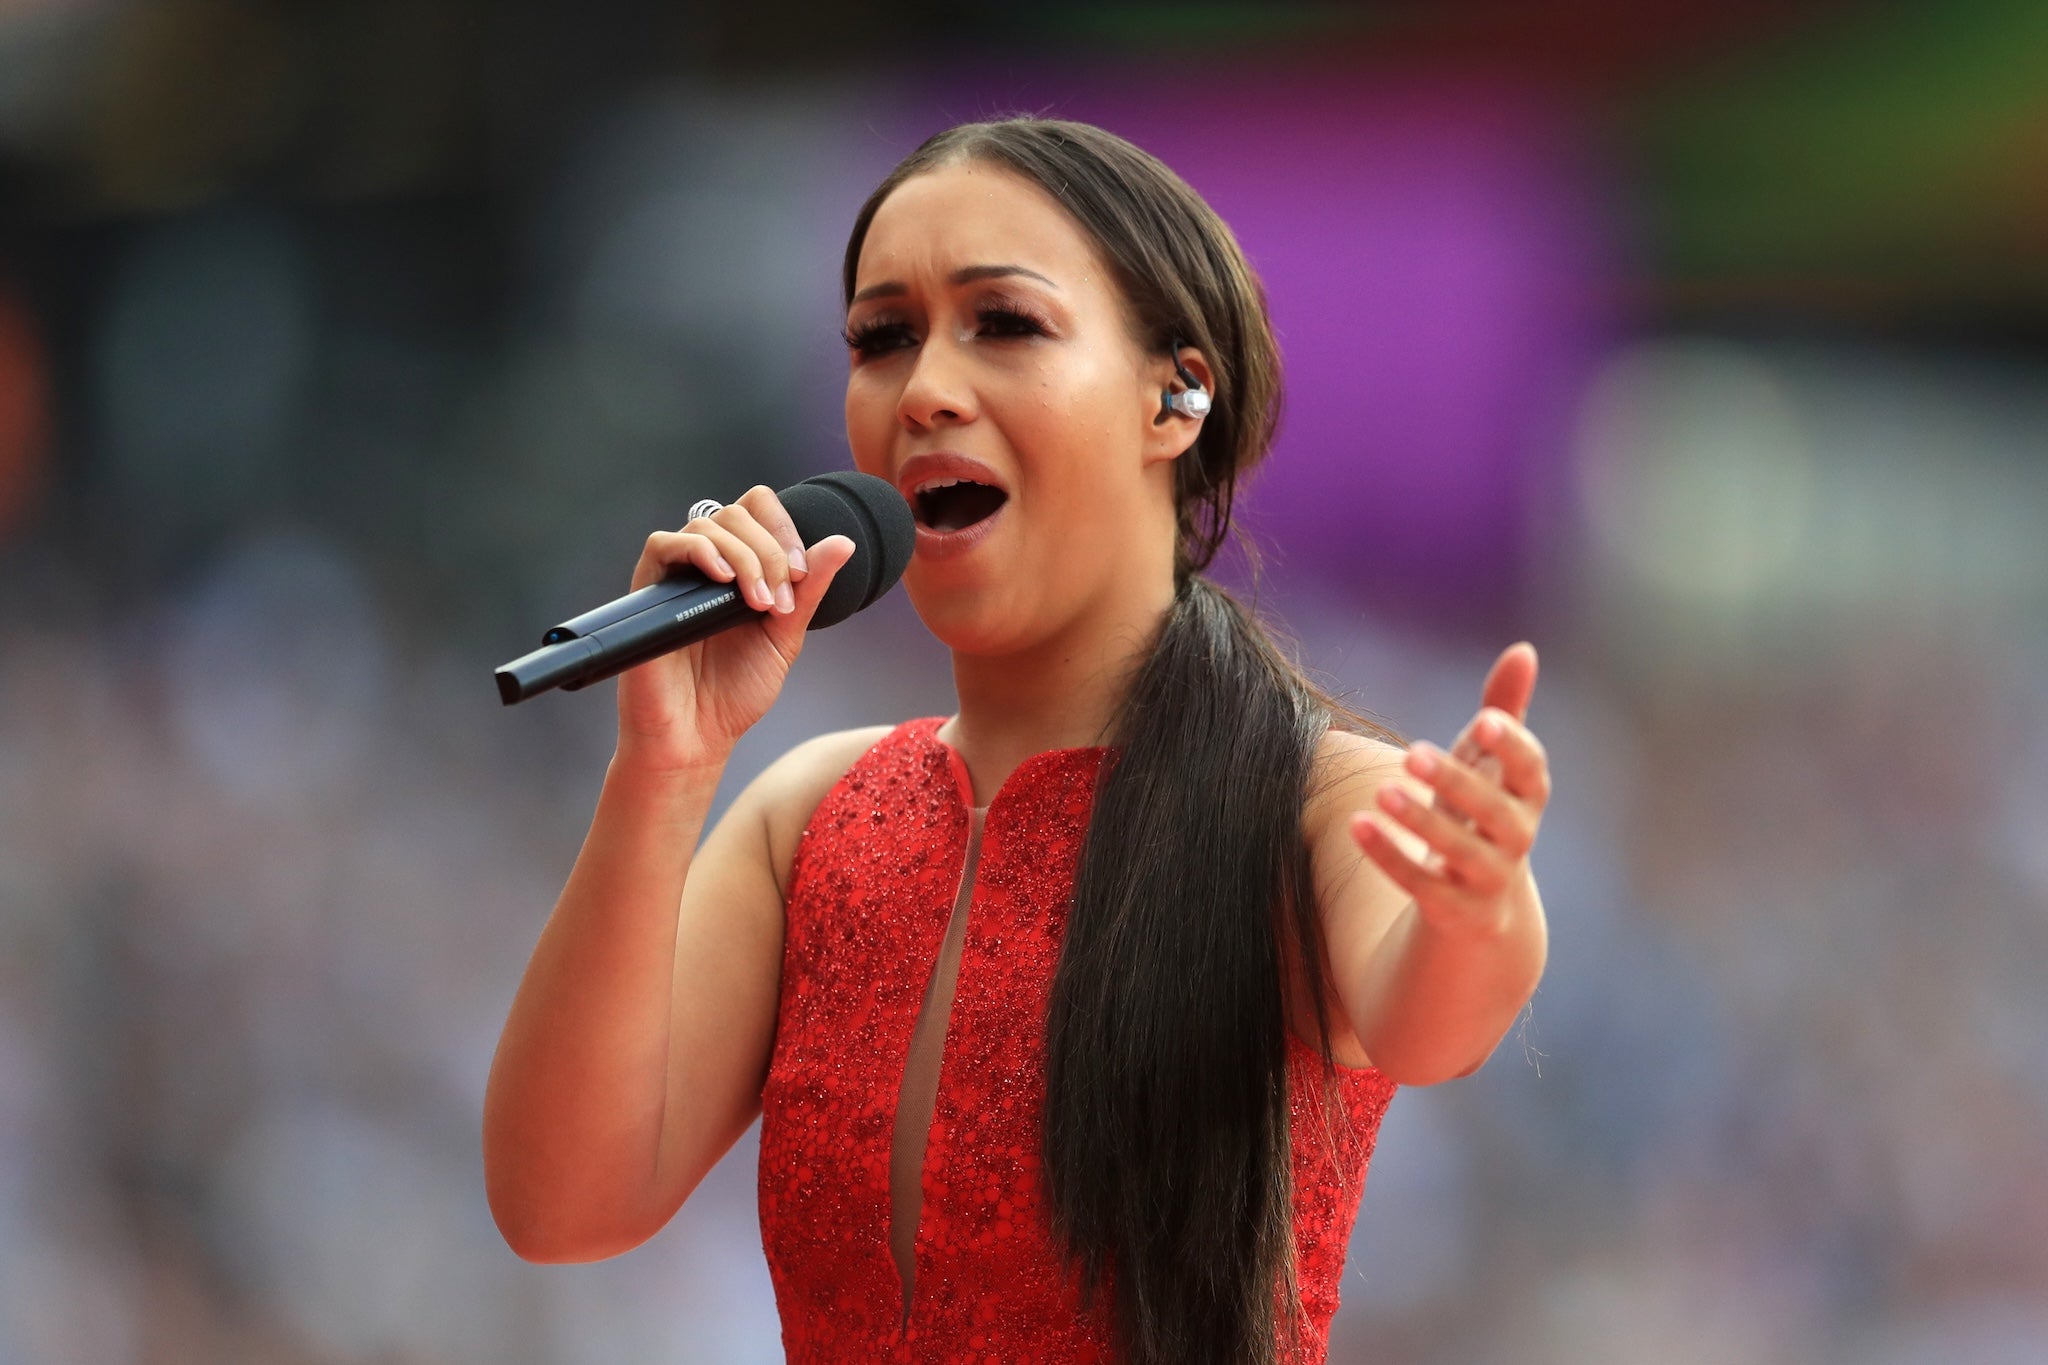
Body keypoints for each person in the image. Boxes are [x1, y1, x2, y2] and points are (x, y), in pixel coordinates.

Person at [483, 117, 1551, 1365]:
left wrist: (1478, 909)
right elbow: (560, 1207)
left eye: (1003, 323)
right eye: (882, 338)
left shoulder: (1305, 798)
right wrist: (660, 769)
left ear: (1175, 396)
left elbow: (1429, 1017)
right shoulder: (810, 814)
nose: (926, 387)